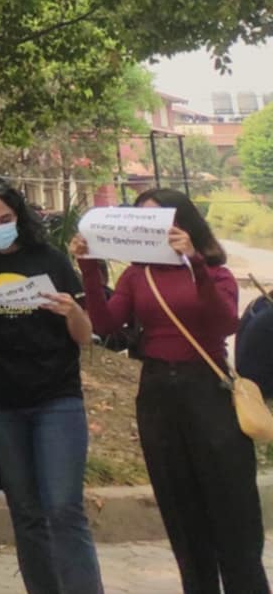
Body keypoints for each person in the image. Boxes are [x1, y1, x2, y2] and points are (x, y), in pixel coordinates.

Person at [79, 188, 266, 593]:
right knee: (180, 508)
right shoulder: (137, 275)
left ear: (183, 223)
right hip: (158, 392)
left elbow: (224, 324)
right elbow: (106, 325)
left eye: (159, 219)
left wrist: (194, 262)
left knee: (232, 508)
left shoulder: (215, 272)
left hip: (208, 389)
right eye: (142, 219)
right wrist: (89, 269)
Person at [0, 177, 100, 594]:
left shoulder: (50, 260)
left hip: (56, 397)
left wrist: (71, 311)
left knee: (63, 508)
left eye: (5, 218)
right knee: (26, 511)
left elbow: (84, 336)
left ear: (19, 216)